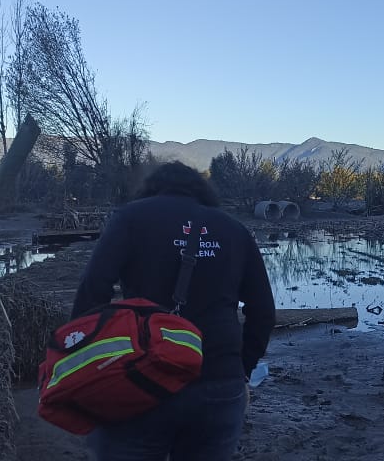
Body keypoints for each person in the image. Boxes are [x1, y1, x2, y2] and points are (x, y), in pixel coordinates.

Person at [69, 160, 276, 461]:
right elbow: (263, 311)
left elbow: (93, 290)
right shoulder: (234, 229)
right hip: (219, 381)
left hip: (140, 381)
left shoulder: (130, 218)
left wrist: (86, 365)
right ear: (202, 192)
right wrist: (241, 370)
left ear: (152, 190)